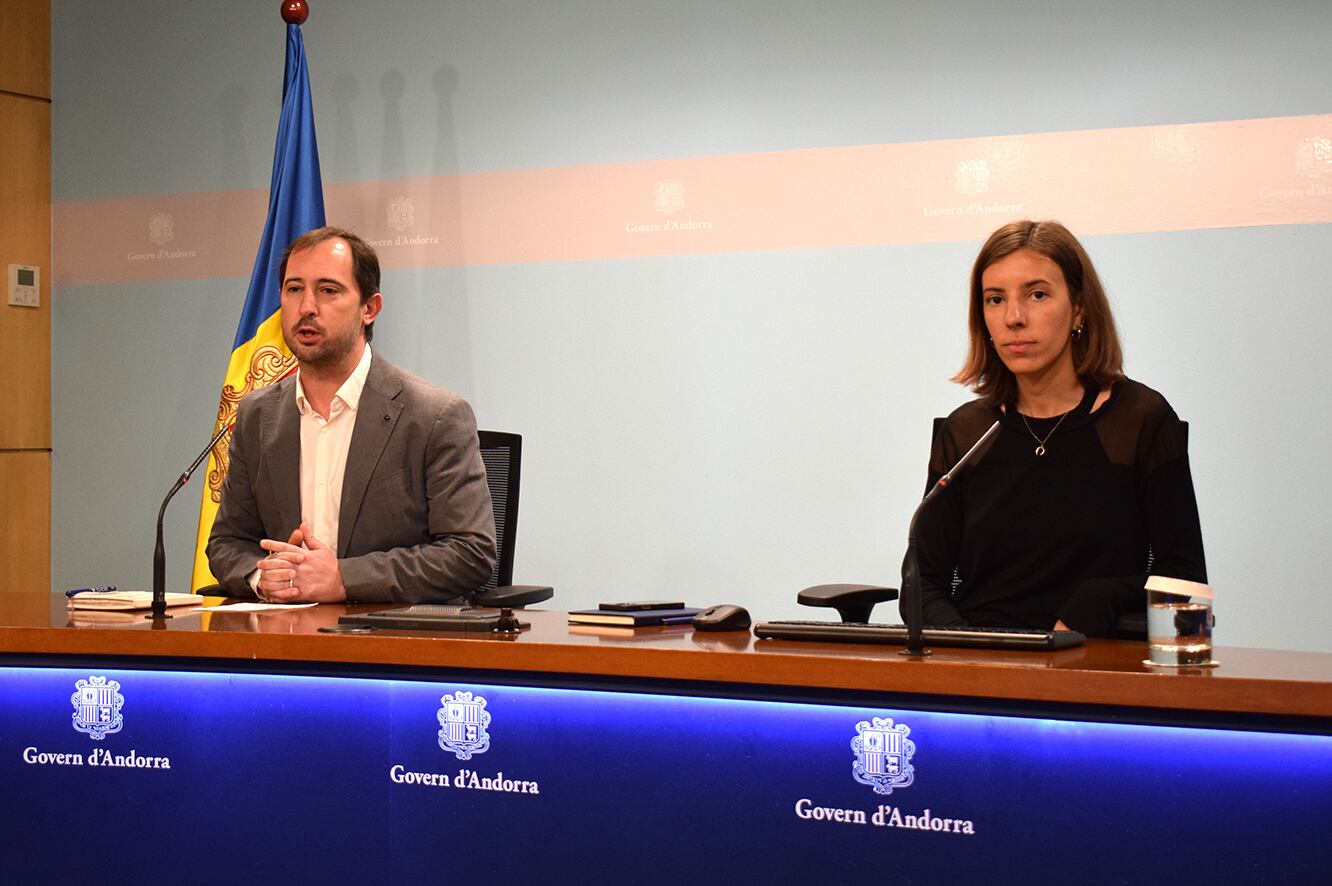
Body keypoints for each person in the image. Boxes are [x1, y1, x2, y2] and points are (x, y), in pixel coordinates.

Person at [907, 220, 1206, 638]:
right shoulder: (967, 430)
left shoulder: (1139, 419)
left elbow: (1184, 573)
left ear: (1079, 309)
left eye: (1037, 294)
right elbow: (921, 584)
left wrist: (1097, 602)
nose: (1014, 318)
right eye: (995, 299)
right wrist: (971, 652)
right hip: (984, 664)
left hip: (1093, 661)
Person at [207, 226, 497, 603]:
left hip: (393, 641)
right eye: (294, 289)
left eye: (328, 290)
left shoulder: (434, 416)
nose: (307, 307)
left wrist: (344, 578)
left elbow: (470, 553)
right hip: (285, 639)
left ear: (369, 309)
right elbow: (228, 543)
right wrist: (260, 576)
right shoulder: (257, 416)